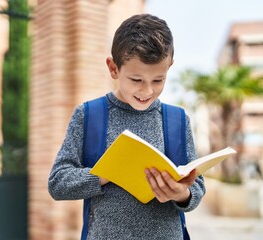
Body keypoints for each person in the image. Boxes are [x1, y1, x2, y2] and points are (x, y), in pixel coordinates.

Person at [48, 13, 205, 239]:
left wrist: (182, 194)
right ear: (113, 68)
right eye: (136, 80)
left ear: (169, 67)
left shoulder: (177, 119)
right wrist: (107, 172)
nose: (147, 91)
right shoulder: (89, 115)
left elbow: (197, 187)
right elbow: (58, 183)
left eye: (158, 80)